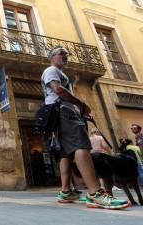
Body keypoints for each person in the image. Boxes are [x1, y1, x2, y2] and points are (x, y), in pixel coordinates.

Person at [41, 46, 129, 209]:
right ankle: (95, 193)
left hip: (62, 112)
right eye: (62, 53)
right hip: (64, 112)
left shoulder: (58, 72)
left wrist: (79, 110)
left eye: (67, 54)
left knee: (65, 153)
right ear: (52, 57)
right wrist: (81, 104)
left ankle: (66, 191)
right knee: (81, 145)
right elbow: (58, 90)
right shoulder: (51, 70)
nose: (66, 56)